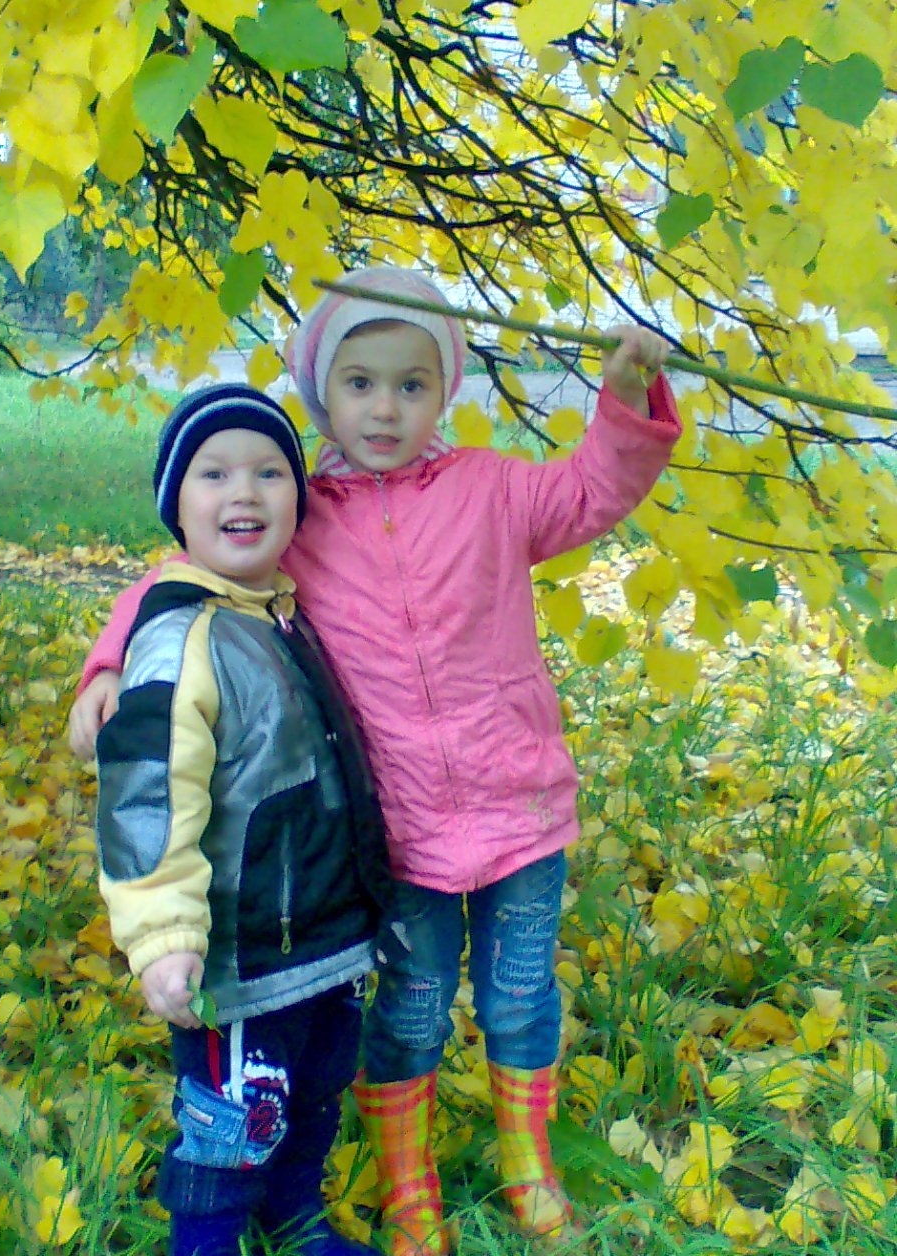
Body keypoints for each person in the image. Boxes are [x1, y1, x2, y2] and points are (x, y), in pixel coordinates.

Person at [74, 266, 682, 1255]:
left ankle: (528, 1159)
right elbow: (183, 577)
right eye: (359, 384)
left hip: (521, 808)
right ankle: (408, 1184)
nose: (385, 408)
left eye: (410, 384)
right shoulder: (303, 514)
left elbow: (590, 490)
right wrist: (109, 663)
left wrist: (624, 401)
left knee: (521, 997)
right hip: (400, 832)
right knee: (412, 1009)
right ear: (325, 394)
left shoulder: (492, 489)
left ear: (444, 390)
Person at [93, 387, 393, 1256]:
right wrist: (162, 935)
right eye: (214, 474)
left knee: (315, 1088)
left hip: (322, 935)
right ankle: (207, 1238)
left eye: (269, 473)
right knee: (236, 1110)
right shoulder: (180, 638)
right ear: (176, 507)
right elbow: (147, 791)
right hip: (239, 948)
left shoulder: (280, 615)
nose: (245, 492)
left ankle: (293, 1217)